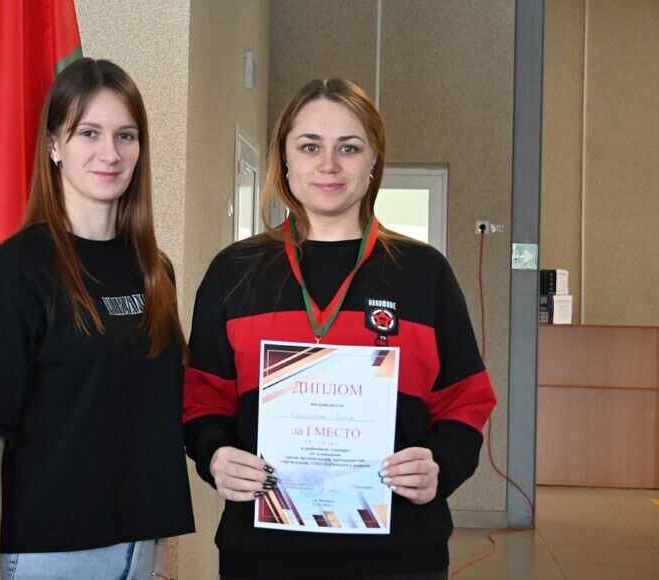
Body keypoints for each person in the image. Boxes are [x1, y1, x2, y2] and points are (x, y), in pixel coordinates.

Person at [183, 78, 497, 580]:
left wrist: (440, 464)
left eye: (348, 148)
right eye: (310, 146)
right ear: (284, 159)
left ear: (373, 161)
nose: (328, 165)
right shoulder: (234, 272)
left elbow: (466, 400)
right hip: (263, 556)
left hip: (399, 556)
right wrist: (215, 455)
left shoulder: (423, 274)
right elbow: (201, 401)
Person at [0, 58, 194, 580]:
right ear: (54, 146)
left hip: (139, 552)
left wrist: (160, 563)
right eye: (89, 133)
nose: (110, 153)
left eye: (125, 136)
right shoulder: (17, 271)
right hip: (47, 558)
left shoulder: (155, 272)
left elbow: (155, 432)